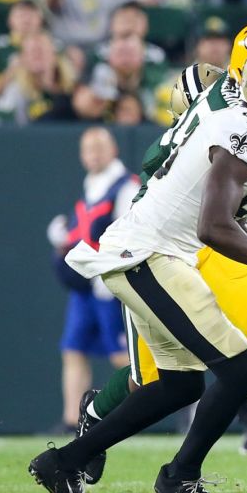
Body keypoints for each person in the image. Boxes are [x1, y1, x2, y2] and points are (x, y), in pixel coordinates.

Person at [31, 40, 247, 493]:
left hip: (163, 254)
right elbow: (214, 226)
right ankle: (179, 476)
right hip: (148, 254)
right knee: (237, 370)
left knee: (181, 384)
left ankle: (64, 462)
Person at [48, 128, 140, 431]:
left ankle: (137, 414)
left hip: (107, 281)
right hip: (84, 285)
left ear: (113, 149)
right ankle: (71, 419)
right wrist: (65, 236)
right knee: (73, 348)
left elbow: (126, 231)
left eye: (100, 147)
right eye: (88, 148)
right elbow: (84, 230)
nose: (94, 154)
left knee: (122, 355)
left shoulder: (125, 185)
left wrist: (110, 271)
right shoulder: (91, 183)